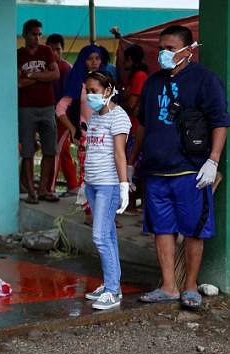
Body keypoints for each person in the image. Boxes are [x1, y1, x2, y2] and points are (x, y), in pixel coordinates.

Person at [130, 26, 230, 309]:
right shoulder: (152, 83)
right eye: (161, 47)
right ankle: (169, 286)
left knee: (193, 230)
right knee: (162, 229)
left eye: (171, 48)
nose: (164, 53)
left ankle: (190, 287)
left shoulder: (205, 80)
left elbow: (220, 122)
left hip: (191, 171)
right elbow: (143, 125)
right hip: (156, 171)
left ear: (189, 50)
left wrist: (213, 160)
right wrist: (130, 164)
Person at [79, 71, 131, 310]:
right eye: (87, 90)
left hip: (108, 185)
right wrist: (83, 183)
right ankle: (112, 284)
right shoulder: (95, 117)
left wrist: (123, 186)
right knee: (107, 236)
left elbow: (120, 154)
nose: (90, 95)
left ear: (108, 90)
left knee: (100, 237)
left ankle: (112, 291)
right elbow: (91, 152)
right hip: (92, 183)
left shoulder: (118, 117)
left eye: (94, 90)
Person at [56, 45, 106, 225]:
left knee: (108, 176)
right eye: (90, 58)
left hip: (107, 138)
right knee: (88, 176)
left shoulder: (107, 82)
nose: (94, 62)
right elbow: (60, 108)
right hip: (87, 138)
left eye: (97, 58)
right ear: (83, 61)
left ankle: (106, 214)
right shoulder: (78, 83)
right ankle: (89, 212)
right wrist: (72, 128)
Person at [18, 19, 60, 204]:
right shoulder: (19, 54)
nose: (37, 37)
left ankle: (43, 188)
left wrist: (32, 75)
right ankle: (31, 192)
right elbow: (19, 82)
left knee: (50, 149)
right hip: (26, 107)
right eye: (34, 34)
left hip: (47, 106)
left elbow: (55, 74)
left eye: (39, 34)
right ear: (25, 35)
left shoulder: (46, 51)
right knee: (28, 151)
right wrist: (43, 77)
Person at [46, 33, 79, 197]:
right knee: (63, 150)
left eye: (58, 50)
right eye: (51, 50)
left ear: (62, 50)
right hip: (51, 114)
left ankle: (49, 188)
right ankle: (73, 185)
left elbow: (70, 98)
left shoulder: (66, 69)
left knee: (56, 151)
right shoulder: (47, 68)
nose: (55, 53)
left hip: (64, 117)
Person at [121, 44, 148, 214]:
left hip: (136, 129)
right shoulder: (133, 76)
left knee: (136, 168)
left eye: (124, 59)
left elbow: (132, 105)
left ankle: (136, 204)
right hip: (131, 127)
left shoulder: (139, 76)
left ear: (130, 60)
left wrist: (116, 102)